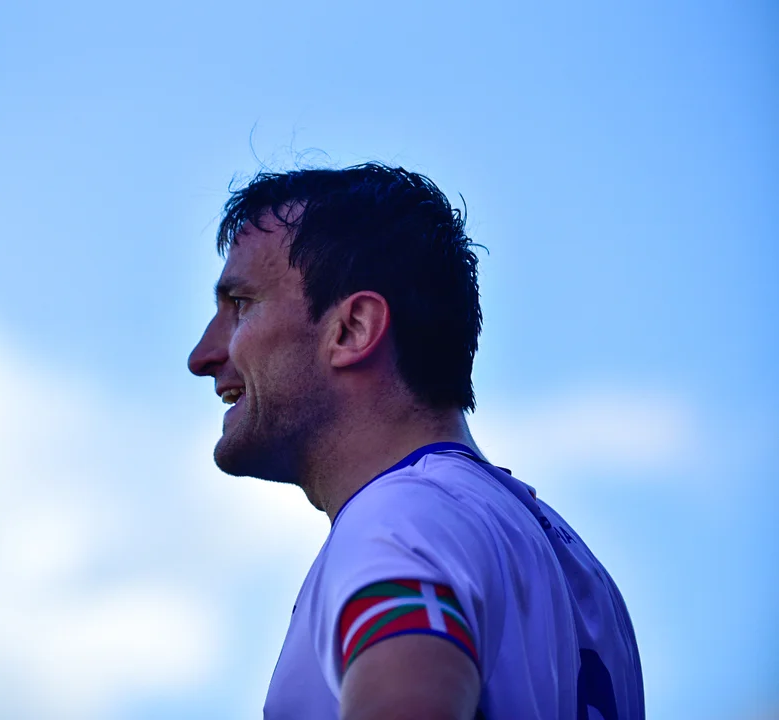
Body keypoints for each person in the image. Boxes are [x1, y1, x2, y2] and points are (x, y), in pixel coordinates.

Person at [187, 163, 645, 720]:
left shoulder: (398, 519)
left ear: (352, 329)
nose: (202, 356)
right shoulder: (577, 570)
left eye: (240, 305)